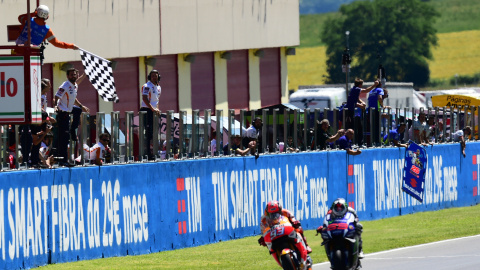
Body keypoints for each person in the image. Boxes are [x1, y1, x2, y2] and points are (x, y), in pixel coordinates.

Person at [258, 201, 312, 269]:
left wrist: (295, 223)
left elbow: (293, 219)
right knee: (269, 247)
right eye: (271, 214)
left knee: (299, 230)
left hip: (286, 230)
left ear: (280, 210)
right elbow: (263, 230)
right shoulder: (263, 219)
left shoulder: (286, 212)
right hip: (274, 234)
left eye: (276, 213)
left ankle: (306, 246)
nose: (274, 216)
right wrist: (263, 238)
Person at [54, 68, 89, 166]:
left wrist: (82, 106)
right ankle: (63, 160)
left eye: (75, 74)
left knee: (78, 110)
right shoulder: (65, 86)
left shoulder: (74, 86)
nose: (74, 76)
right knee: (64, 139)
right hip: (63, 112)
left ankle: (73, 129)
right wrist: (55, 106)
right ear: (67, 76)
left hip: (69, 110)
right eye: (72, 75)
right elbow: (56, 96)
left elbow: (74, 98)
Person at [346, 78, 379, 144]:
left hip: (352, 111)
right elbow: (367, 90)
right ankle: (355, 142)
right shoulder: (357, 89)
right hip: (350, 111)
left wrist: (362, 103)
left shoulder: (353, 89)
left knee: (358, 126)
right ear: (360, 85)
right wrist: (374, 85)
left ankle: (358, 141)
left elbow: (357, 99)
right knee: (353, 127)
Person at [140, 70, 161, 159]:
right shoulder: (147, 86)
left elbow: (156, 100)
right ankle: (147, 153)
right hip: (147, 110)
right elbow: (145, 98)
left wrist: (157, 109)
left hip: (153, 111)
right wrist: (152, 109)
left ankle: (153, 152)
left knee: (154, 133)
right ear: (149, 77)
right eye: (152, 76)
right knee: (148, 133)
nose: (154, 78)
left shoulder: (159, 87)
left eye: (156, 76)